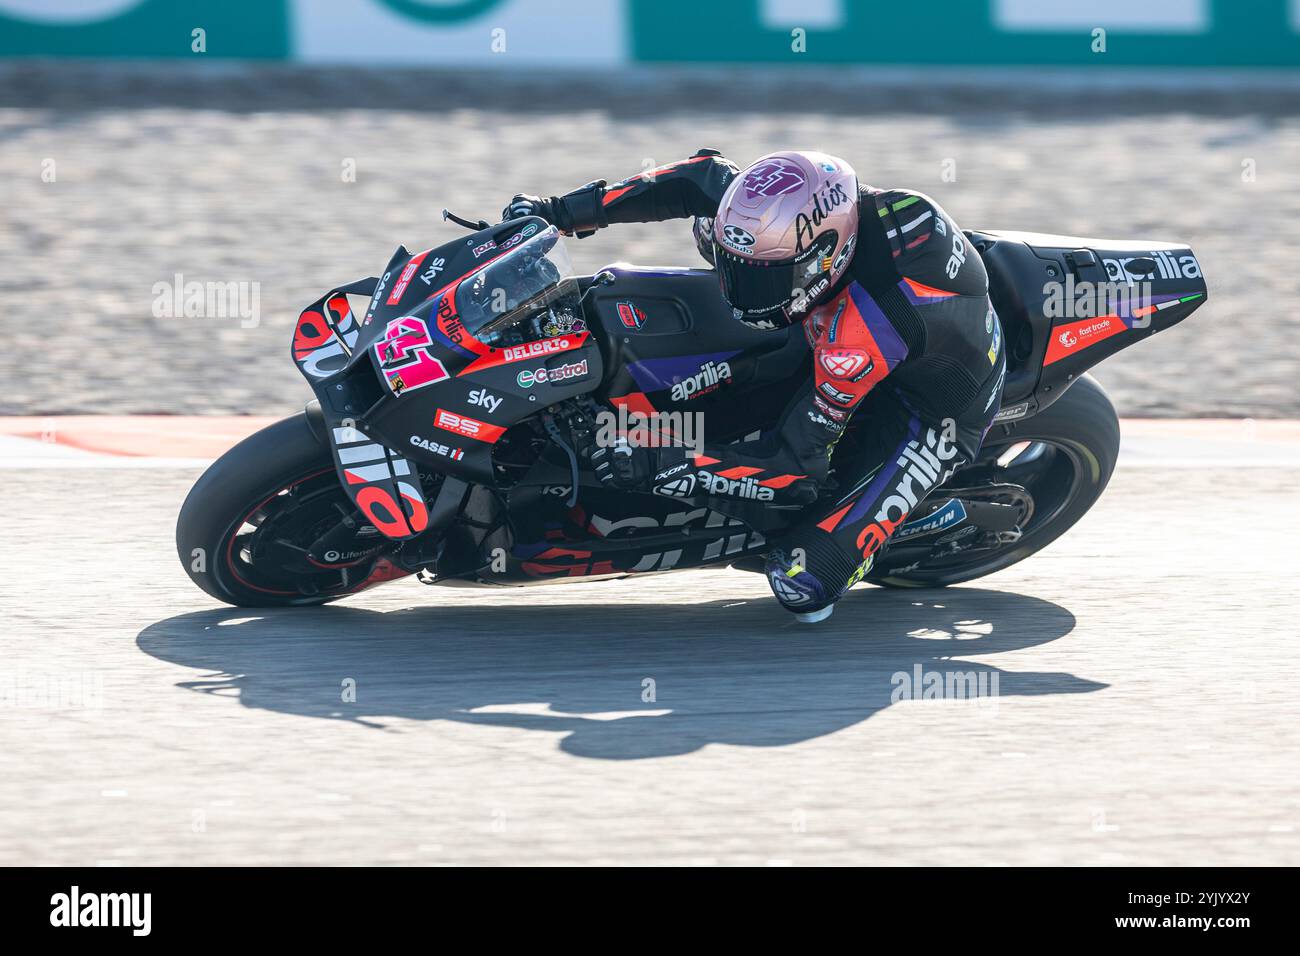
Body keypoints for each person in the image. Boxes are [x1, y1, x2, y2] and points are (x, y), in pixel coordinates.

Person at [503, 149, 1006, 621]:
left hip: (929, 413)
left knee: (800, 582)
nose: (738, 290)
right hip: (842, 331)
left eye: (761, 279)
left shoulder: (857, 337)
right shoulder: (785, 207)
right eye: (732, 266)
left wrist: (660, 458)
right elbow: (695, 178)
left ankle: (912, 521)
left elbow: (797, 467)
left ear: (824, 254)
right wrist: (557, 213)